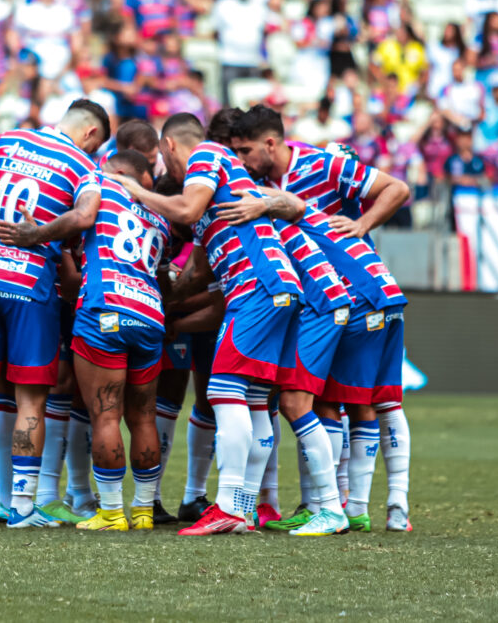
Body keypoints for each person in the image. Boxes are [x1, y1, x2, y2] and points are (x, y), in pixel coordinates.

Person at [109, 113, 303, 536]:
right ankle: (245, 507)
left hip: (257, 286)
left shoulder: (205, 156)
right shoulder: (220, 190)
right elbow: (196, 273)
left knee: (222, 391)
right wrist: (160, 300)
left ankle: (230, 507)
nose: (168, 171)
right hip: (278, 286)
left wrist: (139, 191)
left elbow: (186, 205)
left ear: (170, 147)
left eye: (163, 159)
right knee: (253, 401)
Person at [227, 105, 413, 532]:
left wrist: (361, 224)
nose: (240, 161)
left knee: (334, 400)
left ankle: (338, 505)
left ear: (270, 143)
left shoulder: (322, 165)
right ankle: (362, 506)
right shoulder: (255, 181)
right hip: (361, 291)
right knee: (364, 400)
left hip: (349, 292)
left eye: (245, 151)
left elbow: (397, 189)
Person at [0, 99, 109, 528]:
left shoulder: (12, 140)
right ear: (91, 134)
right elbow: (85, 214)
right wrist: (35, 232)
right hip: (29, 283)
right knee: (31, 400)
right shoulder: (83, 166)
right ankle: (21, 506)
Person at [40, 149, 171, 532]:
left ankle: (112, 512)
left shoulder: (98, 185)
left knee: (105, 415)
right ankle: (144, 510)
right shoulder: (159, 218)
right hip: (150, 314)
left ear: (116, 170)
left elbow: (78, 222)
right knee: (144, 417)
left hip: (106, 310)